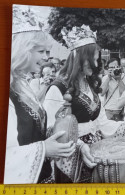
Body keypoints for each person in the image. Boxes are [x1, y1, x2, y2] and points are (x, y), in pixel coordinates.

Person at [44, 24, 125, 183]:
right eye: (94, 60)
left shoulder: (91, 85)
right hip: (70, 160)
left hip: (95, 154)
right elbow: (51, 129)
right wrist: (79, 145)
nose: (97, 65)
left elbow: (101, 123)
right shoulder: (58, 89)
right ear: (80, 58)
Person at [4, 6, 75, 184]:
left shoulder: (21, 84)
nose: (47, 58)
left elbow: (34, 130)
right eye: (41, 51)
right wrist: (43, 149)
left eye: (47, 52)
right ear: (22, 49)